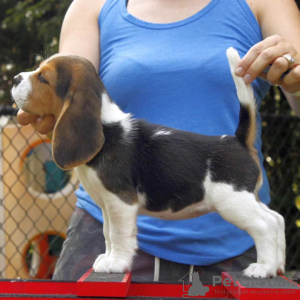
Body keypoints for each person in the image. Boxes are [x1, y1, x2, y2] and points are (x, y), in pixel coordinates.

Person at [17, 0, 300, 282]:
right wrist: (46, 109)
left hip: (228, 231)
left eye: (40, 76)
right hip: (98, 231)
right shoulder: (91, 6)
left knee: (251, 215)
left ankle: (120, 253)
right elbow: (69, 90)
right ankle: (116, 251)